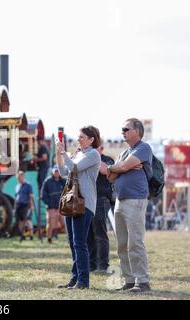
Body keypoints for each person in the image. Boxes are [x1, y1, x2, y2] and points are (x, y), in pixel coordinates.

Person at [107, 118, 153, 293]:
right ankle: (129, 280)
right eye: (122, 129)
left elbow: (123, 167)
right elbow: (111, 176)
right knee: (122, 244)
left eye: (126, 129)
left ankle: (142, 281)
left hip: (136, 200)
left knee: (135, 242)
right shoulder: (124, 152)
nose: (123, 132)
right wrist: (119, 167)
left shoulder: (144, 147)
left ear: (137, 131)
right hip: (120, 200)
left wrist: (120, 167)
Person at [56, 126, 101, 290]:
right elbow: (63, 172)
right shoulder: (78, 153)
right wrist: (59, 154)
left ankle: (83, 281)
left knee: (79, 243)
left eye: (82, 137)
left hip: (85, 203)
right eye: (78, 137)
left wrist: (64, 153)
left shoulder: (93, 154)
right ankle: (75, 279)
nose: (79, 139)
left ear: (91, 139)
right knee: (73, 242)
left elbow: (74, 168)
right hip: (72, 202)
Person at [87, 144, 114, 274]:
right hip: (87, 199)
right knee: (89, 234)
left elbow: (105, 171)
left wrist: (93, 158)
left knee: (100, 232)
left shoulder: (107, 160)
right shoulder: (86, 158)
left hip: (101, 198)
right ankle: (91, 265)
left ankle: (103, 265)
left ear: (101, 148)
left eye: (94, 148)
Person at [41, 165, 66, 244]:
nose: (57, 173)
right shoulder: (47, 181)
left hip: (62, 207)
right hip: (51, 208)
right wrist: (49, 204)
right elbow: (43, 195)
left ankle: (70, 239)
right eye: (55, 171)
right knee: (50, 224)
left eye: (58, 171)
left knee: (65, 224)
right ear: (52, 172)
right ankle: (49, 239)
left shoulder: (64, 181)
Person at [14, 171, 35, 241]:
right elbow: (16, 197)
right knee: (20, 221)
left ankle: (31, 235)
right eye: (18, 177)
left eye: (20, 177)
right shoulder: (17, 186)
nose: (19, 178)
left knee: (28, 220)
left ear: (23, 176)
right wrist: (15, 206)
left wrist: (31, 206)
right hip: (19, 205)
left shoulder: (28, 185)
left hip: (26, 205)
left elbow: (31, 196)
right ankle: (22, 235)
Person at [36, 137, 50, 238]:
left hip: (43, 168)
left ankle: (41, 193)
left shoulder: (43, 148)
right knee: (39, 181)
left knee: (41, 182)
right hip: (43, 168)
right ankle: (41, 192)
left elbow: (44, 158)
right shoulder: (44, 147)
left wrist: (36, 159)